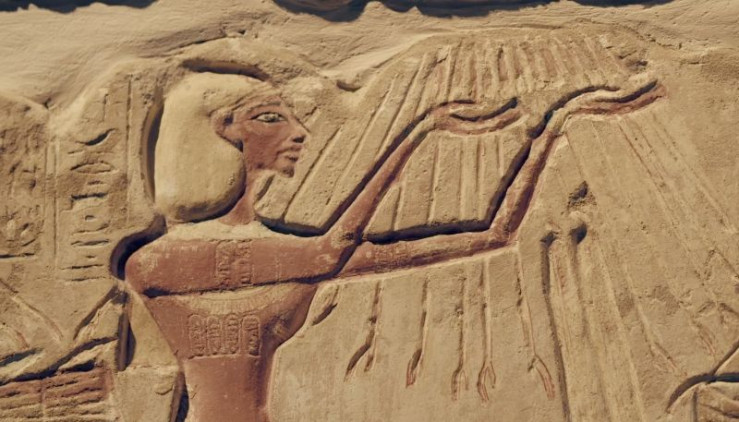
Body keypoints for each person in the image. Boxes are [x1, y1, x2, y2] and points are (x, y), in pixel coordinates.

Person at [125, 71, 662, 422]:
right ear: (223, 131)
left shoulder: (288, 260)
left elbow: (493, 235)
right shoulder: (161, 262)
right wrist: (417, 134)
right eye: (271, 117)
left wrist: (548, 133)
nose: (300, 132)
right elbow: (328, 253)